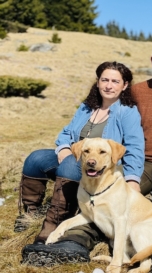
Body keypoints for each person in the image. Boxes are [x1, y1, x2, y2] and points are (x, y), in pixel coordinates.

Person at [22, 39, 152, 273]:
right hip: (140, 161)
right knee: (103, 199)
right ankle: (72, 243)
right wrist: (131, 178)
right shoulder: (137, 91)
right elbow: (118, 129)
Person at [17, 61, 144, 250]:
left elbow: (135, 147)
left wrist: (133, 179)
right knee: (35, 159)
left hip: (100, 167)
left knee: (68, 165)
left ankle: (55, 223)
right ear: (98, 82)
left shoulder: (127, 112)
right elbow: (66, 133)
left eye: (115, 81)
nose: (109, 85)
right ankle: (31, 213)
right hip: (77, 156)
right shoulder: (87, 107)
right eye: (105, 80)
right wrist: (64, 149)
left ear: (124, 85)